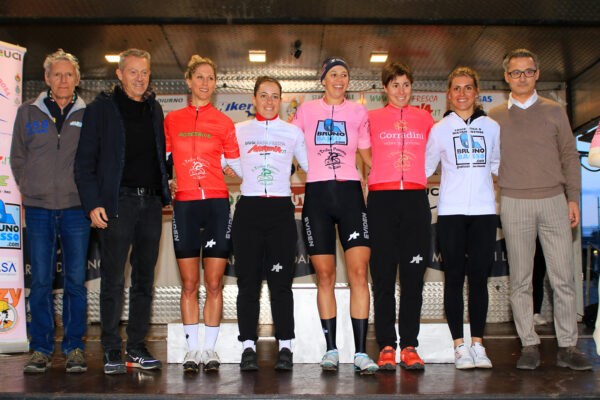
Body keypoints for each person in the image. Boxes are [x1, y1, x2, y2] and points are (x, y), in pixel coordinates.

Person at [488, 48, 592, 370]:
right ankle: (529, 344)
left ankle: (568, 346)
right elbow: (488, 161)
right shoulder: (494, 118)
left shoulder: (555, 111)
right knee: (521, 279)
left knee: (563, 278)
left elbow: (569, 156)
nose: (522, 77)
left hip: (554, 201)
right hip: (514, 202)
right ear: (506, 77)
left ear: (537, 74)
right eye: (516, 72)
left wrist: (572, 198)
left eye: (528, 71)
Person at [75, 48, 171, 374]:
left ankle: (136, 347)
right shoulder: (101, 108)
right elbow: (84, 162)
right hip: (118, 203)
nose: (140, 78)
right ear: (119, 74)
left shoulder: (155, 108)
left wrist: (165, 188)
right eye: (133, 72)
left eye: (144, 72)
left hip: (151, 204)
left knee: (144, 279)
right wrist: (93, 203)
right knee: (113, 279)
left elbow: (158, 155)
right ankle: (111, 348)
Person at [292, 57, 378, 374]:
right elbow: (288, 143)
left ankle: (360, 352)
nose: (339, 79)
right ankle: (331, 350)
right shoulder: (306, 111)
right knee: (325, 276)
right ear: (323, 80)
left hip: (350, 195)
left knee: (359, 273)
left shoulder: (357, 112)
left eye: (344, 74)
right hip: (317, 198)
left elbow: (369, 155)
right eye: (333, 74)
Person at [11, 49, 90, 374]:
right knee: (41, 281)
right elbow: (17, 157)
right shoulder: (27, 112)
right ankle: (40, 349)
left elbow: (95, 158)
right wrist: (30, 186)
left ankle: (74, 348)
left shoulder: (88, 113)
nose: (63, 79)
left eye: (68, 74)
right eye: (57, 74)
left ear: (77, 79)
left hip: (76, 210)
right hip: (39, 209)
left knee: (75, 282)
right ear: (46, 78)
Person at [164, 55, 241, 374]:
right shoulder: (172, 120)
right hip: (185, 205)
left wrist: (238, 169)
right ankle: (191, 349)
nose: (205, 83)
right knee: (189, 283)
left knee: (213, 283)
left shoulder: (224, 123)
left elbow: (237, 165)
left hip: (217, 206)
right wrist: (167, 181)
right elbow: (162, 160)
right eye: (199, 77)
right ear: (189, 81)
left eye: (210, 78)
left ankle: (209, 349)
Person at [231, 76, 308, 371]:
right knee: (248, 284)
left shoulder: (292, 132)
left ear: (280, 100)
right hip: (249, 210)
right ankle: (247, 348)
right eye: (263, 95)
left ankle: (285, 346)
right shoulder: (238, 130)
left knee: (281, 285)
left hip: (280, 212)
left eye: (275, 96)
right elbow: (226, 160)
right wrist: (245, 172)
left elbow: (310, 167)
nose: (269, 101)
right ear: (254, 99)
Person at [425, 66, 500, 369]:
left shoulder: (492, 127)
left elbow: (497, 165)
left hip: (484, 212)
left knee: (479, 278)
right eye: (456, 88)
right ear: (449, 94)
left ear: (476, 92)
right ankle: (459, 346)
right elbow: (425, 168)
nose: (462, 93)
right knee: (454, 278)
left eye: (468, 87)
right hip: (451, 213)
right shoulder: (439, 129)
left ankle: (478, 344)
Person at [366, 62, 434, 370]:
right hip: (382, 199)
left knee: (412, 278)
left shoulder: (425, 118)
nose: (401, 91)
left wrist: (417, 174)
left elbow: (435, 152)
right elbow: (363, 150)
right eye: (395, 85)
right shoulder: (371, 118)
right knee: (382, 277)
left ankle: (409, 345)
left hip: (415, 200)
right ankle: (386, 346)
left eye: (406, 84)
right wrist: (380, 169)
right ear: (385, 88)